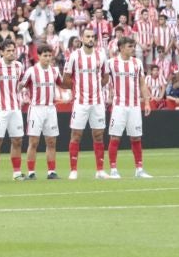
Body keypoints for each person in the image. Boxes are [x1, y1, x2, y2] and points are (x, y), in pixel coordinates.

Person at [105, 35, 153, 179]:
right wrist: (108, 95)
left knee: (136, 138)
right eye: (130, 46)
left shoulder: (137, 63)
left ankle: (139, 169)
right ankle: (113, 169)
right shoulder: (111, 63)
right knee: (115, 137)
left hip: (134, 106)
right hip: (119, 106)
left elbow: (142, 83)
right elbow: (104, 81)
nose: (133, 49)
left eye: (133, 46)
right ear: (121, 48)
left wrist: (147, 102)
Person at [65, 30, 110, 180]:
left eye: (93, 37)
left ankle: (100, 170)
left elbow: (105, 76)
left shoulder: (101, 55)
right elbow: (66, 78)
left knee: (98, 135)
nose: (91, 39)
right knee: (76, 135)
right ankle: (73, 170)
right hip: (80, 102)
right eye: (88, 37)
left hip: (97, 102)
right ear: (82, 39)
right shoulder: (74, 56)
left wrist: (96, 87)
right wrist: (78, 88)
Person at [0, 37, 27, 180]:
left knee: (17, 141)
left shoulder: (19, 66)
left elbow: (21, 83)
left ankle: (16, 173)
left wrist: (20, 88)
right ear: (1, 52)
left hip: (15, 108)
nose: (11, 53)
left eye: (13, 50)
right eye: (8, 51)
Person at [23, 45, 64, 179]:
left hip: (51, 109)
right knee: (33, 142)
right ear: (38, 56)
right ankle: (31, 172)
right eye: (44, 56)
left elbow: (62, 84)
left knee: (51, 142)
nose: (47, 58)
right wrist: (23, 97)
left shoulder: (55, 71)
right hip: (36, 109)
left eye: (49, 55)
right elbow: (21, 85)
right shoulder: (31, 71)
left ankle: (51, 171)